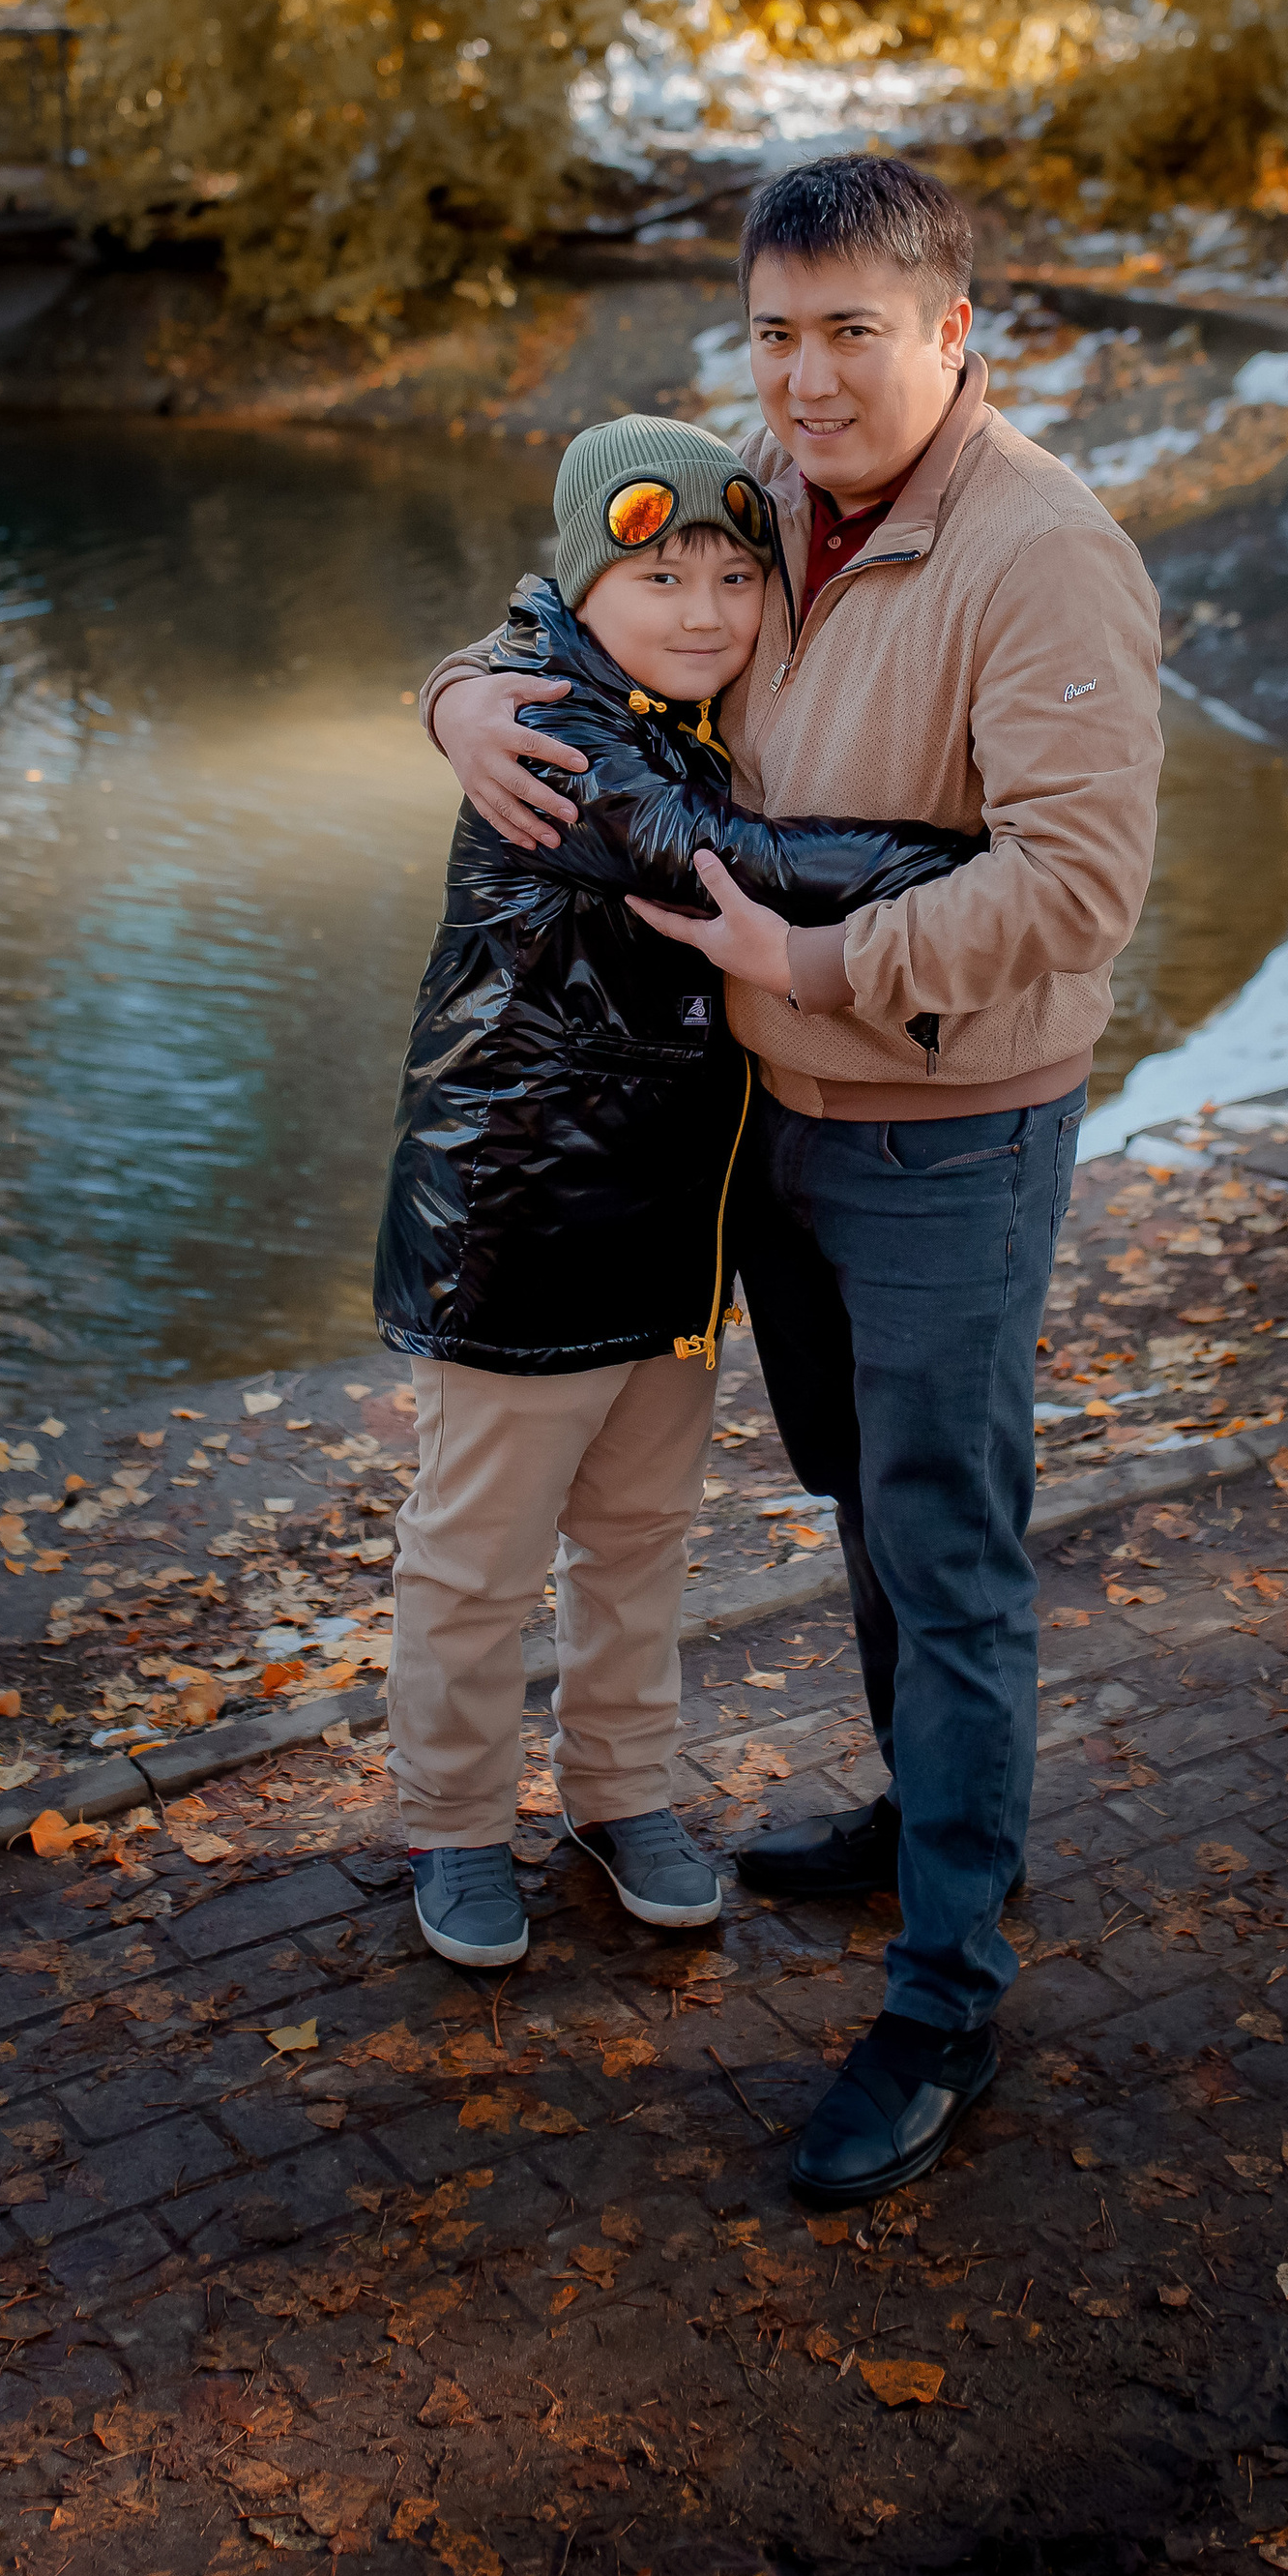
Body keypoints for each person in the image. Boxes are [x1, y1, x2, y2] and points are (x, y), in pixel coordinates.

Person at [425, 153, 1161, 2203]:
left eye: (854, 333)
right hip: (767, 1133)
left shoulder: (1041, 556)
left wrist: (813, 959)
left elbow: (1078, 886)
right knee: (857, 1496)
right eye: (775, 333)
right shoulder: (755, 492)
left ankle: (947, 1992)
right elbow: (561, 612)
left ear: (952, 338)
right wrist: (462, 699)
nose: (808, 379)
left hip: (942, 1134)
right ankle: (913, 1821)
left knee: (945, 1548)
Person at [374, 411, 981, 1976]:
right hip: (520, 1225)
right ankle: (451, 1820)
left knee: (641, 1537)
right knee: (479, 1551)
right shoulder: (560, 731)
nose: (706, 610)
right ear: (584, 588)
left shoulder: (662, 697)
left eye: (732, 574)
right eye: (662, 576)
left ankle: (620, 1794)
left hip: (668, 1229)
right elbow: (717, 855)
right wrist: (962, 864)